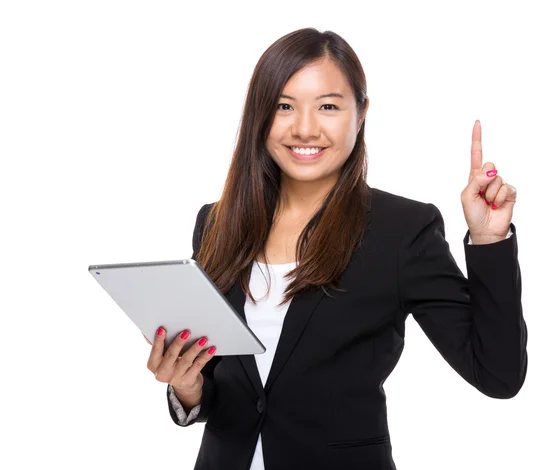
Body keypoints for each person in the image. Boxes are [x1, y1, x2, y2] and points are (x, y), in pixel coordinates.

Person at [145, 28, 528, 470]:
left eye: (328, 106)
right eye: (284, 106)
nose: (304, 128)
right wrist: (185, 386)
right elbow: (223, 390)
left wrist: (488, 240)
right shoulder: (216, 223)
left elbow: (499, 375)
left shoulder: (401, 231)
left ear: (361, 114)